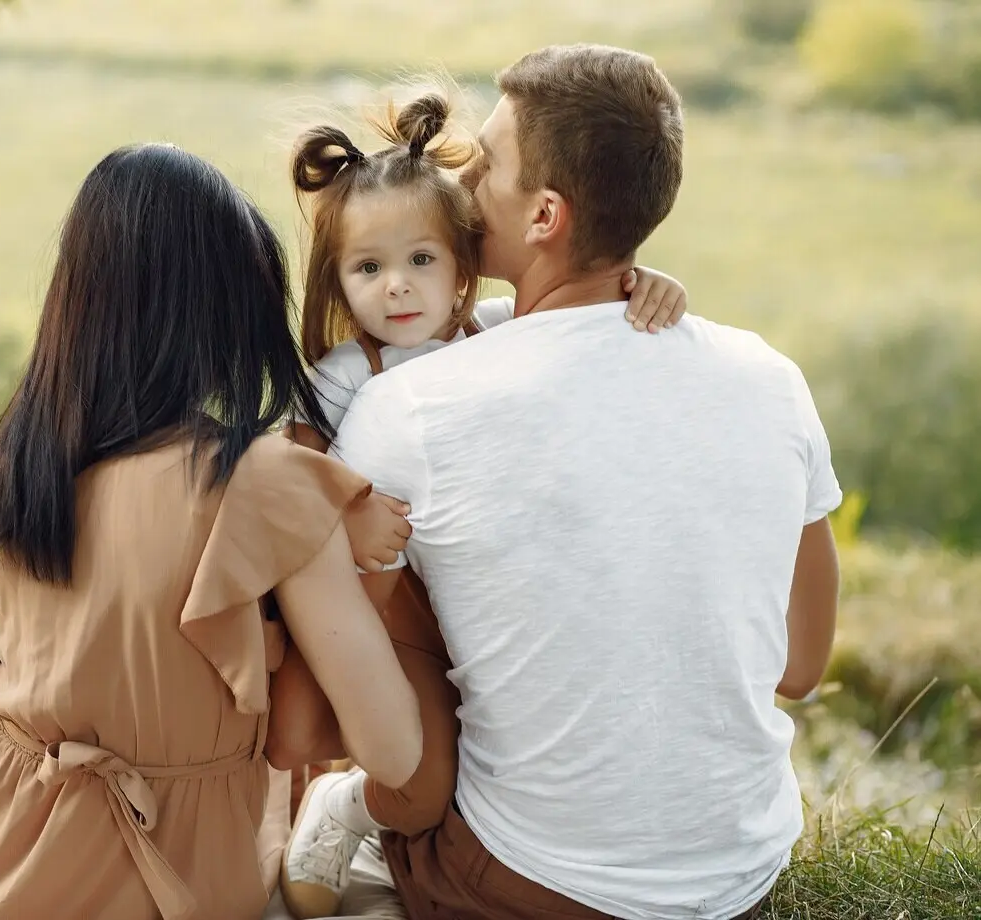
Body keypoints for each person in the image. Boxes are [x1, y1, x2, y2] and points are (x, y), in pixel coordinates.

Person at [282, 44, 842, 920]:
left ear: (544, 214)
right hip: (742, 867)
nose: (463, 184)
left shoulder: (408, 405)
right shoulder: (772, 375)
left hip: (527, 879)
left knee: (377, 583)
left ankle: (349, 815)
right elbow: (801, 667)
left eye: (489, 164)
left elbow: (344, 660)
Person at [0, 143, 424, 920]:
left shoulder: (24, 456)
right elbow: (386, 750)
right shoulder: (265, 483)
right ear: (227, 316)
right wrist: (365, 566)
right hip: (173, 870)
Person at [264, 90, 688, 919]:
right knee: (420, 786)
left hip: (492, 607)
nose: (398, 289)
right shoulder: (347, 378)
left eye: (422, 260)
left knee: (504, 758)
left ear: (463, 263)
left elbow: (585, 308)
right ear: (338, 282)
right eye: (368, 268)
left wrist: (649, 281)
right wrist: (350, 515)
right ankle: (342, 807)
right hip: (396, 616)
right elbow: (287, 483)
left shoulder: (495, 330)